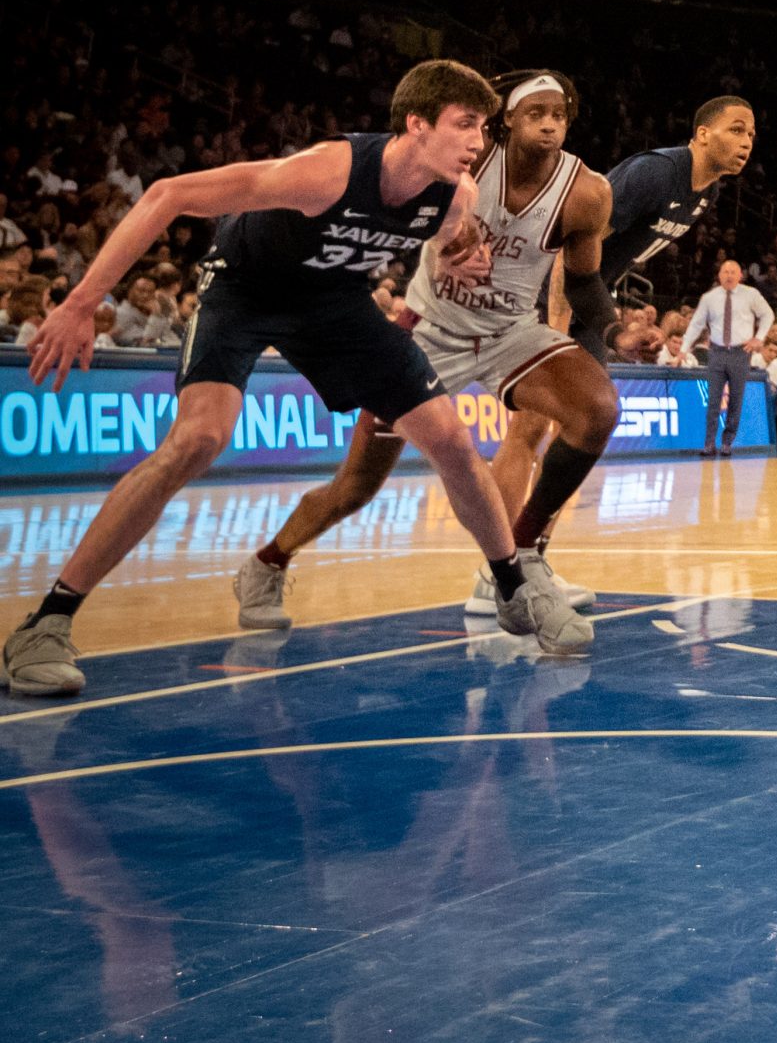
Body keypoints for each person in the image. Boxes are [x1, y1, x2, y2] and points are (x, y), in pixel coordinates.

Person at [3, 61, 589, 697]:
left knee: (448, 436)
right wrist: (82, 303)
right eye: (466, 125)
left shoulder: (456, 193)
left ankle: (511, 586)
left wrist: (462, 253)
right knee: (200, 439)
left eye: (484, 128)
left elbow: (454, 235)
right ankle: (47, 622)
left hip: (334, 302)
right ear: (417, 125)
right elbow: (167, 194)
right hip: (244, 291)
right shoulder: (327, 171)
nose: (480, 141)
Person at [232, 67, 619, 632]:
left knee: (598, 410)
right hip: (429, 331)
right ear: (505, 119)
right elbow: (393, 210)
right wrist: (445, 244)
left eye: (559, 115)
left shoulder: (587, 192)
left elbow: (583, 282)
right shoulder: (462, 158)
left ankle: (522, 556)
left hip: (512, 332)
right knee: (357, 486)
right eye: (535, 113)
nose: (549, 125)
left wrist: (614, 330)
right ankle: (268, 562)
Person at [683, 257, 775, 454]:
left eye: (733, 272)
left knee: (735, 400)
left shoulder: (751, 294)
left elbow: (768, 315)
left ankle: (727, 442)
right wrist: (684, 348)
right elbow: (696, 324)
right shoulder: (709, 297)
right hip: (716, 352)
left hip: (740, 353)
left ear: (740, 275)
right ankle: (709, 444)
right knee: (713, 400)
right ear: (719, 275)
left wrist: (758, 338)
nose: (729, 275)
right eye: (725, 272)